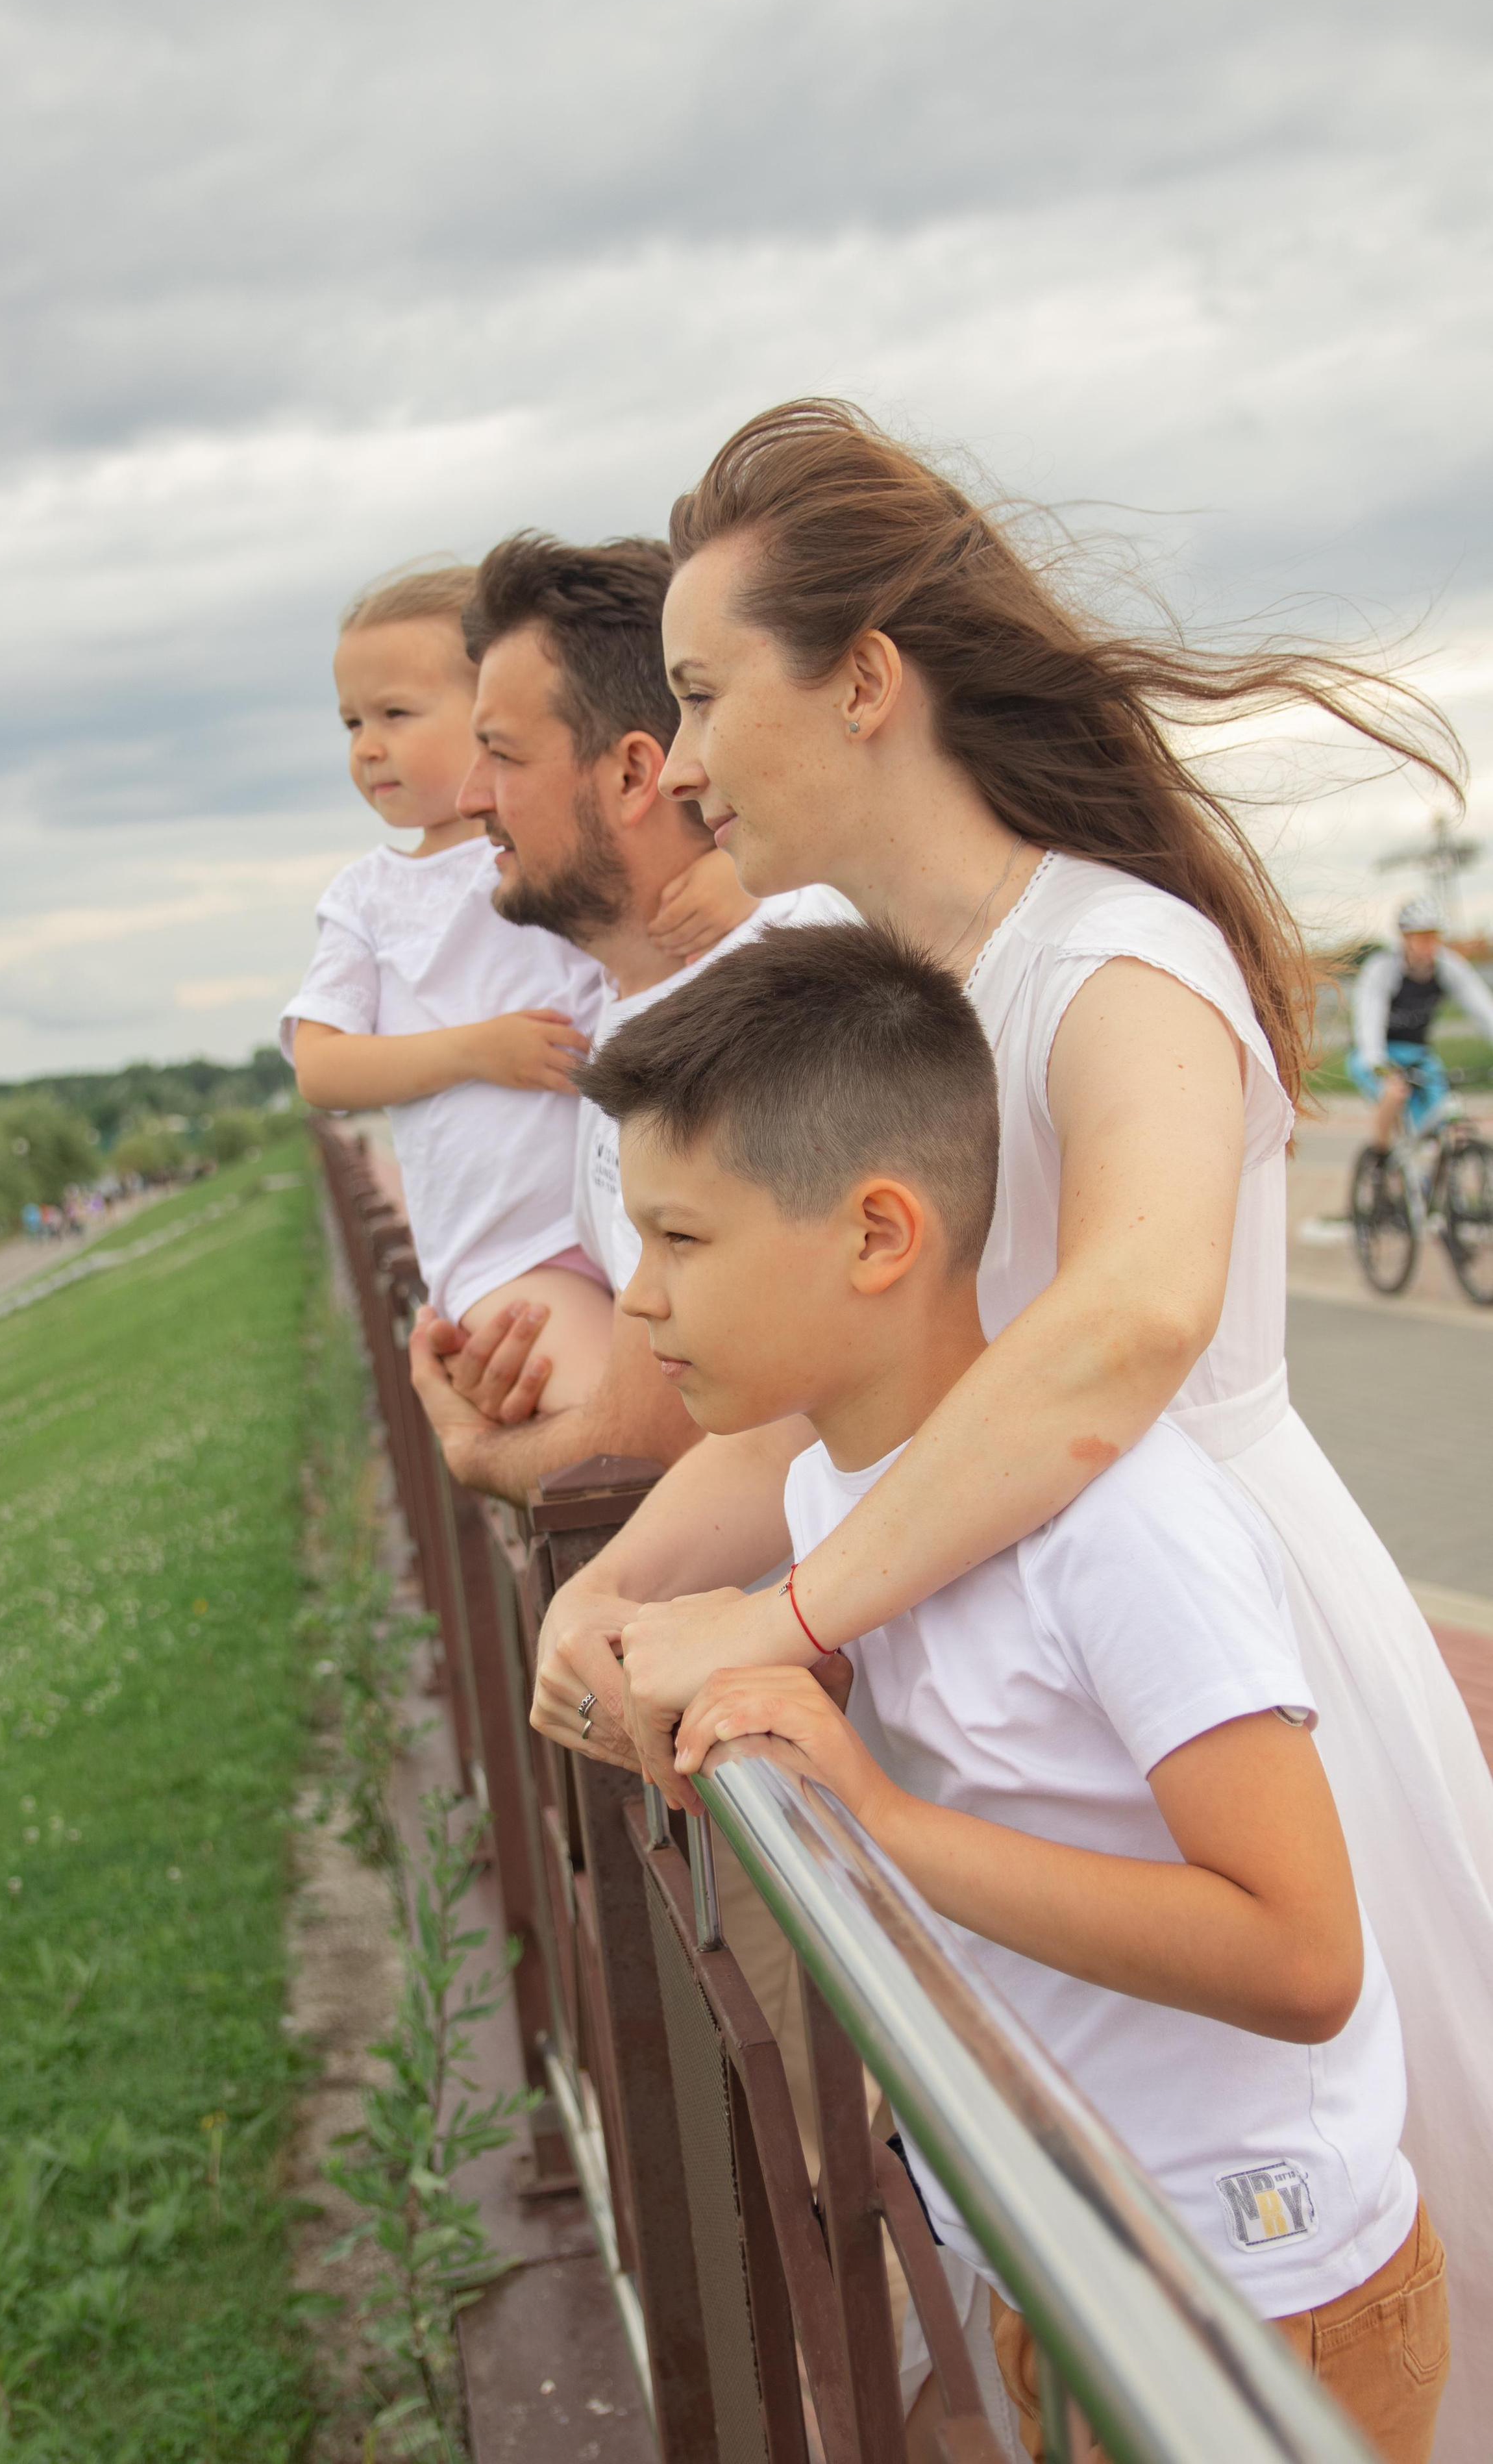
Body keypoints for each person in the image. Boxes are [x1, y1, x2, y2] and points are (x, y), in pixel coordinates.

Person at [523, 401, 1493, 2458]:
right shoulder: (860, 981)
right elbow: (824, 1407)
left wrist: (783, 1615)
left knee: (1326, 2271)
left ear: (862, 681)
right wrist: (612, 1587)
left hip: (1224, 1670)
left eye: (702, 694)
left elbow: (1123, 1320)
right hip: (1015, 1679)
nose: (675, 762)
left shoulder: (1110, 961)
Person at [576, 917, 1446, 2464]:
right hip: (1062, 2228)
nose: (637, 1298)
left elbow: (1301, 1951)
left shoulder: (1118, 1528)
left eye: (679, 1239)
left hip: (1251, 2284)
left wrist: (876, 1818)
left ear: (875, 1235)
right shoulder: (827, 1510)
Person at [406, 531, 851, 1503]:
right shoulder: (638, 1002)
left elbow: (645, 1443)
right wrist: (528, 1383)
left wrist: (473, 1447)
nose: (470, 796)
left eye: (501, 754)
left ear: (630, 774)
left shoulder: (749, 1008)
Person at [282, 563, 743, 1410]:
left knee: (678, 1397)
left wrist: (735, 878)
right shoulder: (370, 895)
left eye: (395, 714)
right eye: (351, 722)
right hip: (507, 1248)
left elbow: (672, 908)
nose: (366, 747)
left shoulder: (567, 848)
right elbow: (321, 1067)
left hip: (612, 1217)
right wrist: (473, 1051)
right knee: (617, 1414)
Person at [1348, 897, 1493, 1149]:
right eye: (1422, 937)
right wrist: (1378, 1064)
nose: (1430, 945)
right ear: (1406, 938)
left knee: (1447, 1115)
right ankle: (1380, 1161)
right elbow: (1369, 1021)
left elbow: (1483, 1009)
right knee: (1394, 1093)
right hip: (1379, 1053)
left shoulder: (1449, 965)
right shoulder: (1383, 969)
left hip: (1418, 1054)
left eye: (1434, 937)